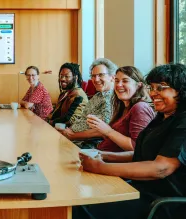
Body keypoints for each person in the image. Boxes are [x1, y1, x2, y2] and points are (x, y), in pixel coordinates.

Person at [74, 64, 186, 219]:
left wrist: (100, 167)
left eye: (161, 88)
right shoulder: (161, 117)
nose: (153, 93)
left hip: (161, 202)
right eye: (151, 88)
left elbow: (161, 169)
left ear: (181, 90)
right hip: (140, 188)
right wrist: (105, 155)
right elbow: (141, 154)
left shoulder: (183, 122)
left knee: (81, 206)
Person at [86, 66, 155, 152]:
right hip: (100, 154)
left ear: (138, 86)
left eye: (125, 81)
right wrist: (99, 126)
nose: (119, 85)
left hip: (112, 163)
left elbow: (136, 148)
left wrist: (108, 130)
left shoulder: (140, 108)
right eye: (117, 81)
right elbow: (114, 138)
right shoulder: (122, 106)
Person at [57, 58, 117, 144]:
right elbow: (82, 119)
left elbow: (103, 130)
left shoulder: (112, 98)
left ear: (112, 77)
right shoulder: (98, 95)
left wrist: (73, 136)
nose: (96, 79)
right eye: (93, 76)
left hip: (87, 144)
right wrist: (69, 131)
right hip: (72, 136)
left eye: (101, 75)